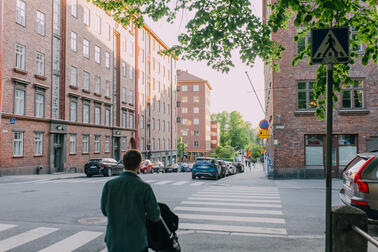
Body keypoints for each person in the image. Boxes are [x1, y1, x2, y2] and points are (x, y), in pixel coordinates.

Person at [101, 149, 161, 252]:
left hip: (114, 241)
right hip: (137, 242)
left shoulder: (109, 185)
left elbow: (105, 211)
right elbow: (155, 216)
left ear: (124, 163)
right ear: (139, 164)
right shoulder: (144, 187)